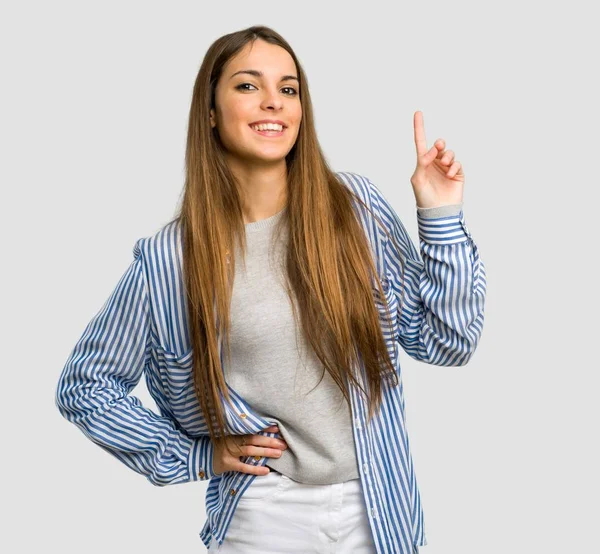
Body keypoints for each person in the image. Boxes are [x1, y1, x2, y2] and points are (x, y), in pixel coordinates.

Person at [55, 24, 486, 554]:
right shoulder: (171, 259)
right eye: (247, 86)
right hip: (264, 516)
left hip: (380, 509)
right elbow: (86, 386)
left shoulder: (356, 210)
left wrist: (439, 214)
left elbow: (449, 342)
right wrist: (196, 454)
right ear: (210, 112)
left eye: (288, 89)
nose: (273, 102)